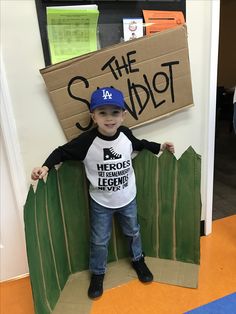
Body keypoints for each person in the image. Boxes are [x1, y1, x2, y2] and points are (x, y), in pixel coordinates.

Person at [31, 87, 175, 299]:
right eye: (103, 113)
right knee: (99, 240)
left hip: (127, 198)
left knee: (133, 231)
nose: (109, 118)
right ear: (93, 116)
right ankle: (98, 274)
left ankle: (138, 260)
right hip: (101, 202)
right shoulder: (86, 142)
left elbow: (140, 144)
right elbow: (61, 151)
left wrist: (160, 146)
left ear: (123, 115)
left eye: (115, 112)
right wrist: (45, 167)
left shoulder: (125, 134)